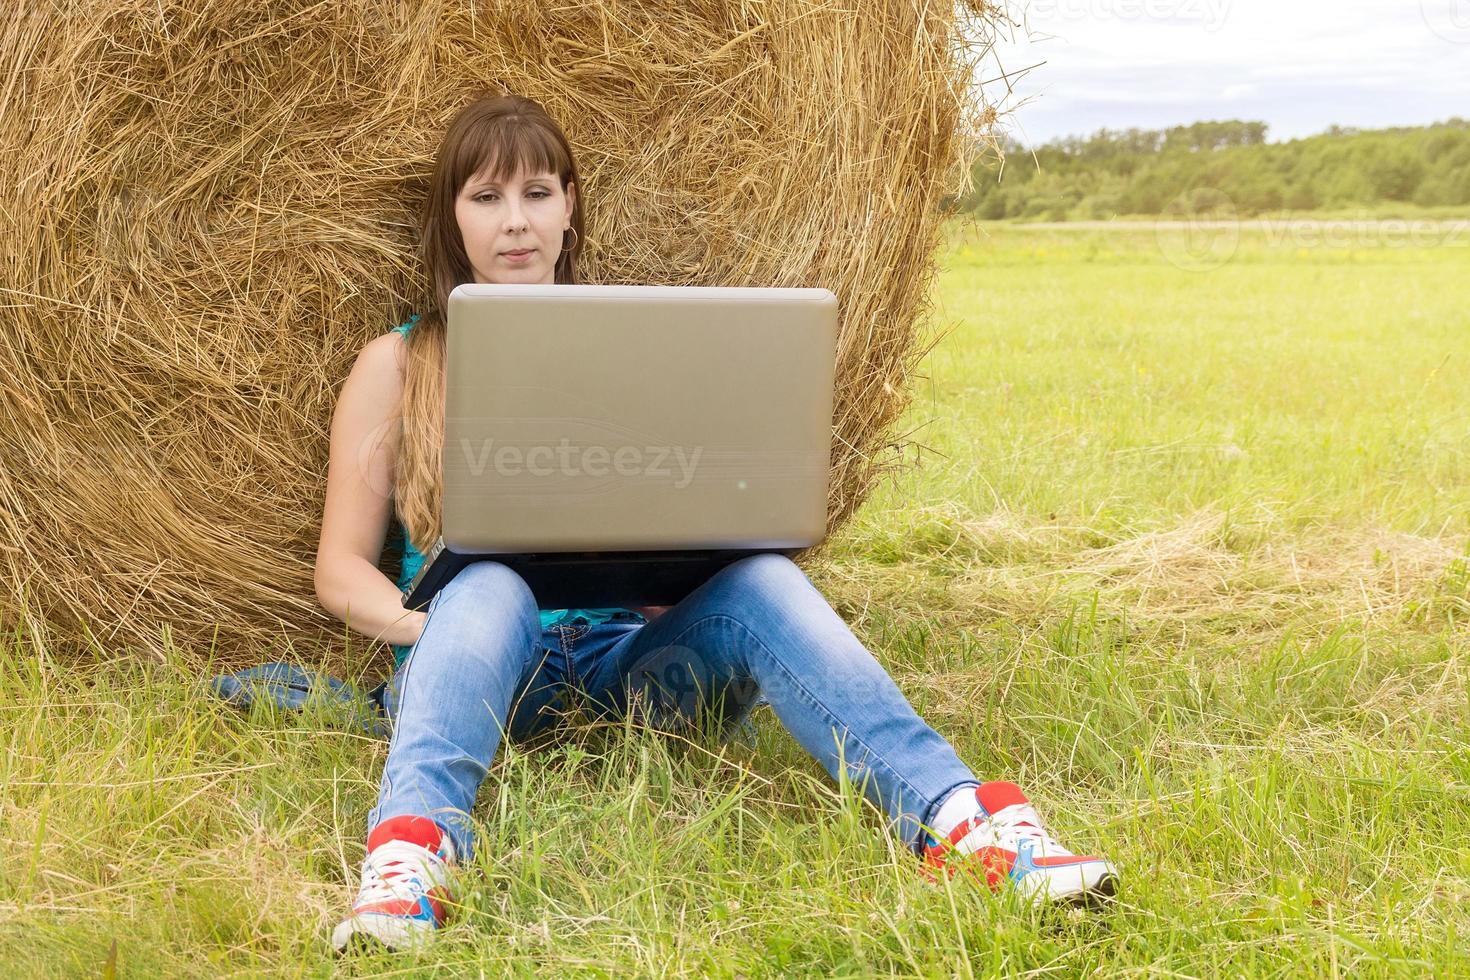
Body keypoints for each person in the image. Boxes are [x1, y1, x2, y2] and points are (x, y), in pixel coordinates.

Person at [314, 93, 1117, 953]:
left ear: (571, 206)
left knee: (765, 580)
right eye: (487, 197)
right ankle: (409, 868)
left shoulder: (649, 348)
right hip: (481, 677)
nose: (517, 222)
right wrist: (431, 632)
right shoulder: (398, 363)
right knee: (491, 580)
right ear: (453, 218)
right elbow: (340, 569)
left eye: (538, 193)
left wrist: (685, 564)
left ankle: (970, 827)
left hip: (635, 677)